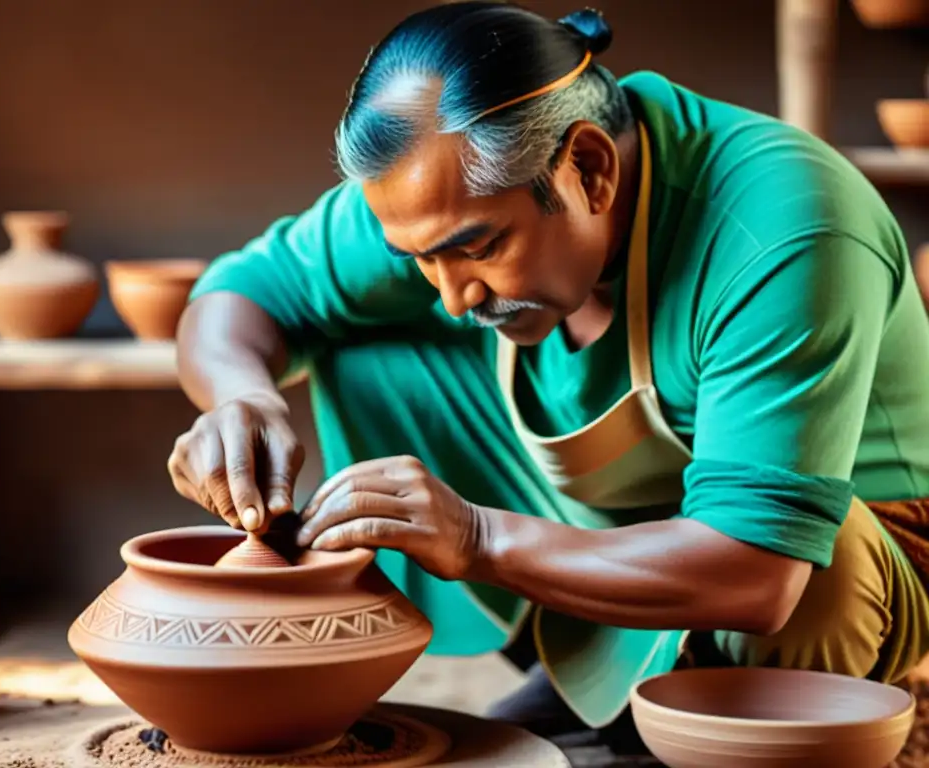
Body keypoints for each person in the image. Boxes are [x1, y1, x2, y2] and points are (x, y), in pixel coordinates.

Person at [167, 1, 929, 751]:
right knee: (363, 352)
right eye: (422, 261)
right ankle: (598, 675)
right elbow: (241, 295)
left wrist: (475, 536)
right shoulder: (442, 188)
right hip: (633, 521)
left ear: (590, 169)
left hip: (850, 556)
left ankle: (706, 707)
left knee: (809, 573)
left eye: (480, 248)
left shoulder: (783, 227)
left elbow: (757, 575)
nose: (452, 295)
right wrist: (244, 399)